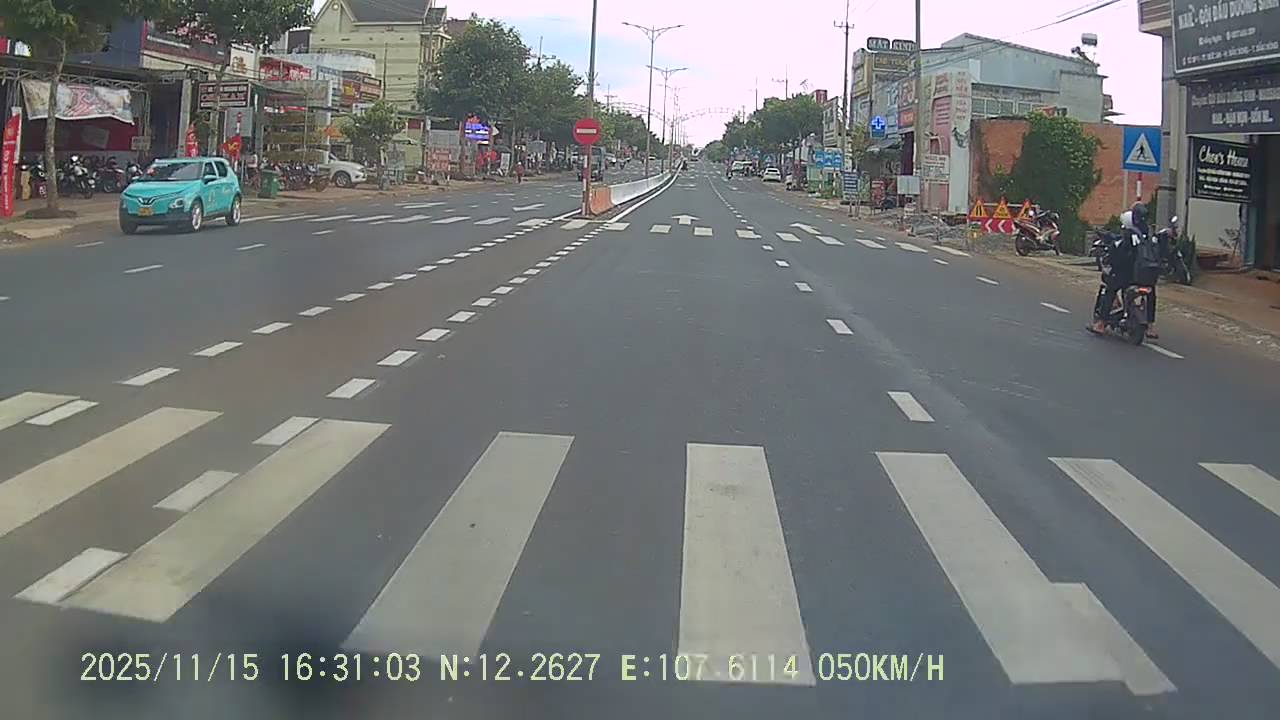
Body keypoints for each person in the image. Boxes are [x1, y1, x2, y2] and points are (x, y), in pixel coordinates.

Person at [1091, 202, 1159, 335]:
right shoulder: (1149, 235)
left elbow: (1118, 255)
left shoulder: (1129, 235)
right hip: (1146, 275)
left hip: (1128, 275)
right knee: (1151, 294)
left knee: (1111, 289)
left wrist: (1111, 261)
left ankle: (1101, 323)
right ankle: (1150, 327)